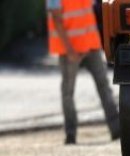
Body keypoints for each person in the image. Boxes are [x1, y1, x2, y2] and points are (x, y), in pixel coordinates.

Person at [46, 0, 120, 145]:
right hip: (70, 52)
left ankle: (116, 129)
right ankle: (70, 134)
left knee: (104, 87)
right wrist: (70, 50)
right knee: (68, 92)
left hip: (91, 45)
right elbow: (56, 19)